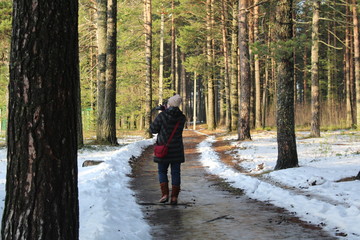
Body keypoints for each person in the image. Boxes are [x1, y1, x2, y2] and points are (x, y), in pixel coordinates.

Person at [150, 94, 186, 205]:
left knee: (162, 172)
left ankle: (165, 194)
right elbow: (173, 117)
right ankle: (174, 197)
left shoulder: (163, 116)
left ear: (169, 104)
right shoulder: (182, 117)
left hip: (163, 150)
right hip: (177, 150)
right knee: (176, 173)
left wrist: (161, 113)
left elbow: (153, 129)